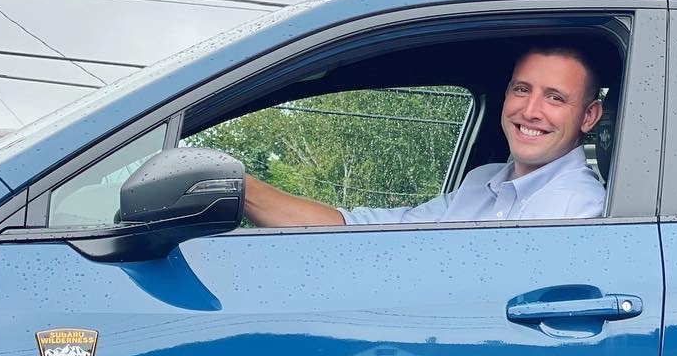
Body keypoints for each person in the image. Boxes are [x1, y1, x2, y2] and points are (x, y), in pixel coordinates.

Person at [242, 46, 607, 227]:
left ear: (589, 116)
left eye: (555, 98)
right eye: (521, 90)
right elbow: (365, 231)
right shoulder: (481, 183)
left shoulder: (581, 210)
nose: (530, 111)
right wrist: (242, 188)